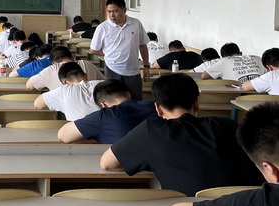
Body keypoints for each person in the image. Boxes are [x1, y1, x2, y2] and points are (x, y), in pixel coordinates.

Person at [100, 73, 261, 196]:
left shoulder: (151, 131)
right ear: (196, 103)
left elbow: (107, 163)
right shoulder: (228, 125)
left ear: (158, 109)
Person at [89, 0, 150, 100]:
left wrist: (146, 66)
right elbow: (93, 50)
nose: (112, 15)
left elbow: (142, 45)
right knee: (114, 101)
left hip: (133, 71)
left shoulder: (136, 24)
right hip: (112, 70)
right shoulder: (102, 28)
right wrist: (108, 53)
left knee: (135, 101)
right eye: (109, 12)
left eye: (115, 11)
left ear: (124, 10)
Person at [57, 79, 156, 144]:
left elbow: (63, 135)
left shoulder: (103, 116)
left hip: (125, 168)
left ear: (103, 105)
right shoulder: (156, 105)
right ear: (128, 95)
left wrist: (95, 136)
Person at [34, 62, 103, 121]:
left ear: (64, 82)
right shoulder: (102, 84)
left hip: (79, 132)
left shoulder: (63, 91)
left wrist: (60, 105)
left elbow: (37, 104)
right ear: (85, 76)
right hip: (106, 129)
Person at [26, 46, 105, 91]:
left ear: (53, 63)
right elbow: (104, 82)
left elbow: (29, 86)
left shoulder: (50, 70)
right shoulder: (87, 64)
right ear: (72, 57)